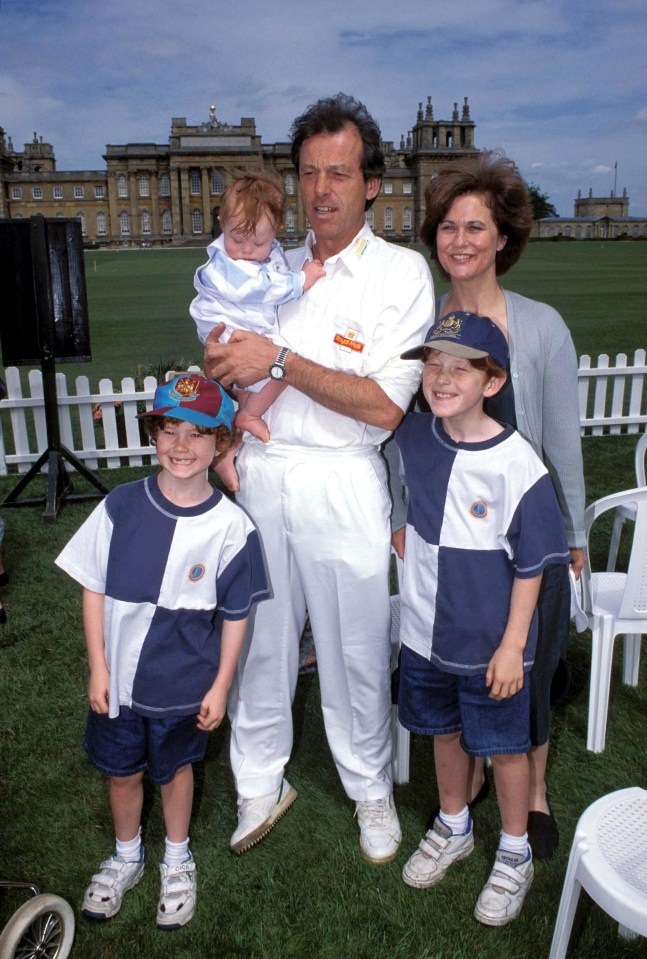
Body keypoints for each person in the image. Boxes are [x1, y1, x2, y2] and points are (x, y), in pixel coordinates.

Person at [202, 93, 435, 863]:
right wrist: (224, 383)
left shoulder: (400, 274)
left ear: (370, 183)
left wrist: (278, 362)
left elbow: (382, 405)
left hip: (345, 475)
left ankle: (370, 786)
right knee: (262, 639)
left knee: (355, 643)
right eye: (308, 173)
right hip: (263, 473)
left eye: (339, 172)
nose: (322, 189)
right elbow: (223, 357)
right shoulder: (267, 265)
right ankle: (257, 779)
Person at [389, 151, 586, 859]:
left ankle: (529, 789)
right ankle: (463, 782)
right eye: (447, 226)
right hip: (449, 536)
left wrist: (570, 536)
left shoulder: (539, 327)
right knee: (457, 658)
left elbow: (560, 441)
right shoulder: (421, 328)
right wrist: (396, 517)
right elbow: (396, 434)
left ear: (503, 236)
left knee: (518, 668)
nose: (460, 240)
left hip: (523, 533)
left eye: (476, 226)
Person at [55, 374, 270, 929]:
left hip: (184, 686)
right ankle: (127, 854)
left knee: (175, 771)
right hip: (120, 682)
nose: (181, 445)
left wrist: (221, 685)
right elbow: (93, 586)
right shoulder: (121, 506)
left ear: (222, 444)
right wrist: (98, 666)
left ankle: (177, 857)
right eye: (170, 429)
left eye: (198, 433)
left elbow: (236, 614)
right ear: (153, 434)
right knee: (122, 772)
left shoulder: (232, 527)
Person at [395, 311, 569, 925]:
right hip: (423, 632)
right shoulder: (414, 436)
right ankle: (454, 822)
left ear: (492, 382)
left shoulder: (518, 463)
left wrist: (513, 644)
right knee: (442, 732)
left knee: (506, 747)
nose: (441, 378)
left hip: (492, 642)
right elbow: (385, 469)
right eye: (433, 365)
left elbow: (531, 567)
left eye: (460, 369)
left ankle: (515, 851)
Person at [190, 170, 325, 491]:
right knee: (286, 365)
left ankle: (228, 449)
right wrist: (302, 280)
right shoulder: (226, 264)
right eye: (237, 239)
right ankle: (249, 417)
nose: (248, 250)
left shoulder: (272, 252)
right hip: (229, 328)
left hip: (242, 325)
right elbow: (260, 287)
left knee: (270, 373)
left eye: (260, 242)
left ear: (277, 229)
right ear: (222, 224)